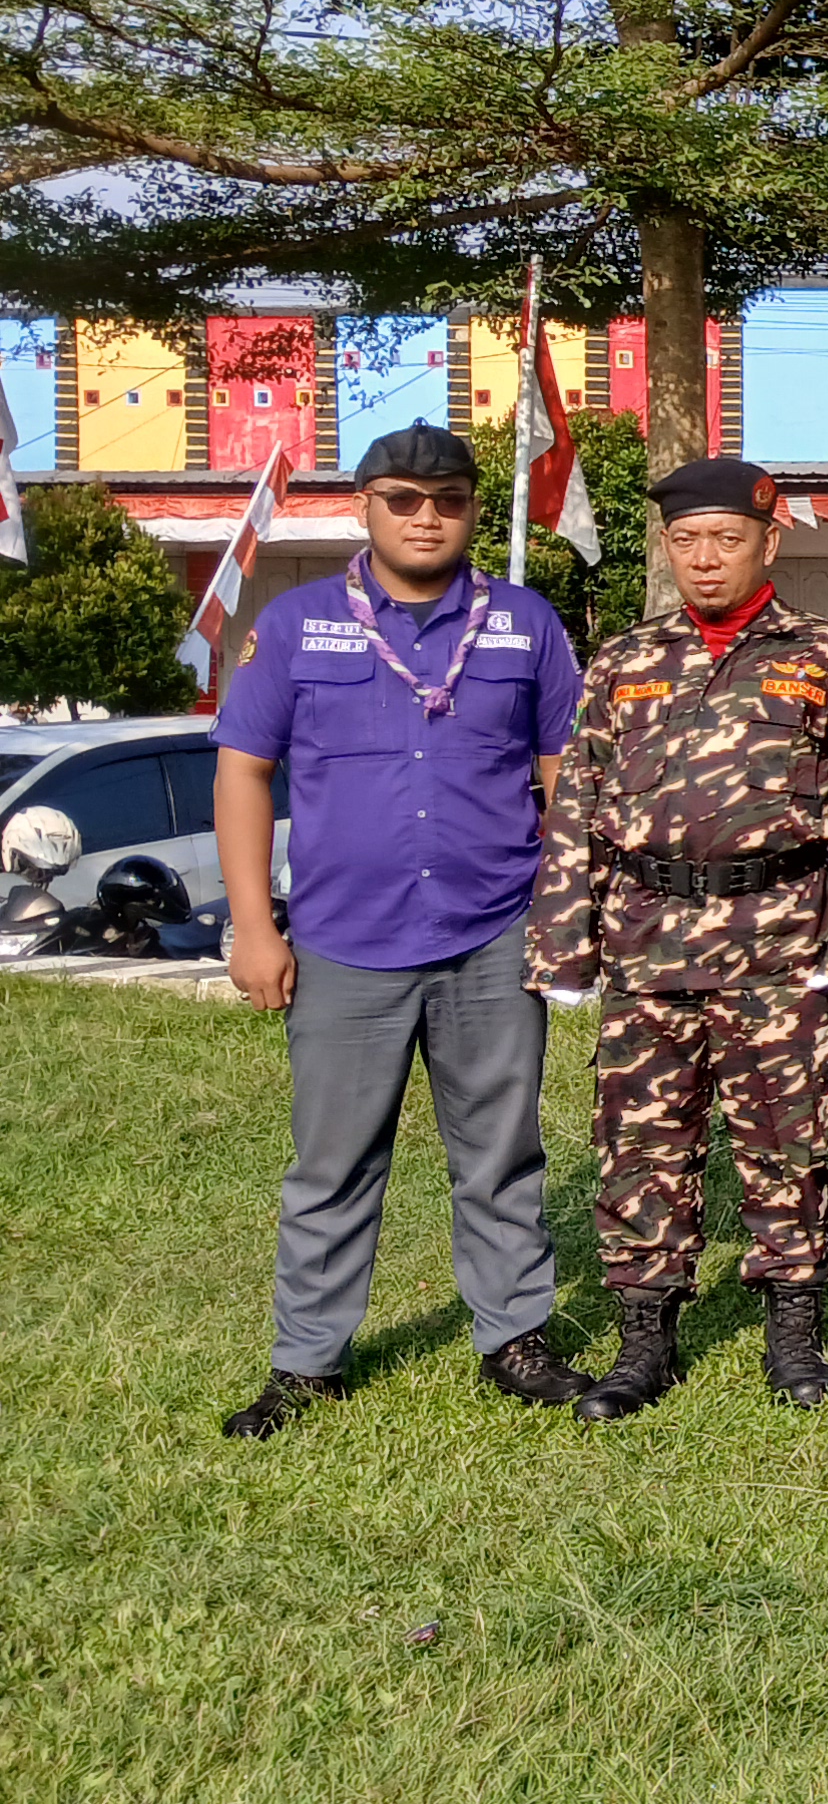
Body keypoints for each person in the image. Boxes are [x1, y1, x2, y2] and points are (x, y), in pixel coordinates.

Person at [212, 424, 596, 1438]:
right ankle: (308, 1361)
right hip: (345, 941)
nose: (427, 517)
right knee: (332, 1162)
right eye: (404, 498)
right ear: (363, 505)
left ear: (474, 508)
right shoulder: (295, 626)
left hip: (494, 934)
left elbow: (564, 774)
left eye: (450, 500)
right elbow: (244, 771)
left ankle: (514, 1337)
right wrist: (256, 927)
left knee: (502, 1152)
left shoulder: (524, 623)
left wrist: (565, 913)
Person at [526, 457, 828, 1419]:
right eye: (686, 541)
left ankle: (795, 1339)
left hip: (774, 938)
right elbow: (579, 812)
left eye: (726, 539)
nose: (704, 558)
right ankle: (645, 1343)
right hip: (647, 942)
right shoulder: (622, 663)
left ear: (769, 543)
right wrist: (563, 944)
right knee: (640, 1145)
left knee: (787, 1141)